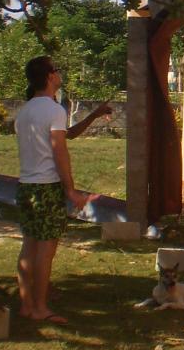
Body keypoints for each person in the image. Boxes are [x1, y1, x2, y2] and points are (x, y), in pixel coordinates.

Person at [14, 56, 111, 323]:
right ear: (48, 76)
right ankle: (41, 308)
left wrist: (94, 114)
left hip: (26, 187)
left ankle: (26, 305)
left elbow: (66, 135)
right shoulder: (54, 110)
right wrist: (70, 191)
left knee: (29, 247)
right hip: (47, 188)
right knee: (46, 251)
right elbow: (60, 150)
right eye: (56, 70)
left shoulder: (25, 111)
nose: (60, 74)